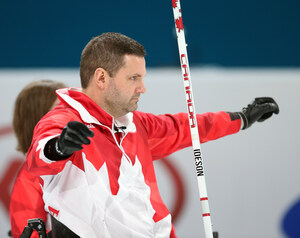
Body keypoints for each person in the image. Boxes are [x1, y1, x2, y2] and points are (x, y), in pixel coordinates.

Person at [24, 32, 279, 238]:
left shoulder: (135, 125)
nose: (142, 88)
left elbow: (187, 126)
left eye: (142, 78)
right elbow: (38, 159)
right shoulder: (64, 120)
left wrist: (242, 118)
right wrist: (59, 148)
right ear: (101, 78)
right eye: (133, 78)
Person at [10, 79, 66, 238]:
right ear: (38, 118)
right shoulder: (30, 177)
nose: (71, 113)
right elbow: (29, 234)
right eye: (60, 108)